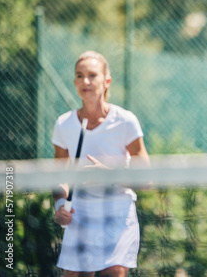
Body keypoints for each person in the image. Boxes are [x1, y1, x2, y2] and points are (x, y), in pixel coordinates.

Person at [52, 51, 150, 277]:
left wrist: (109, 175)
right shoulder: (63, 124)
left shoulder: (126, 121)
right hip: (80, 215)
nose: (85, 81)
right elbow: (58, 176)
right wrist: (59, 205)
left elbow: (146, 178)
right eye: (79, 75)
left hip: (116, 213)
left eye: (92, 75)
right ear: (75, 81)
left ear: (107, 81)